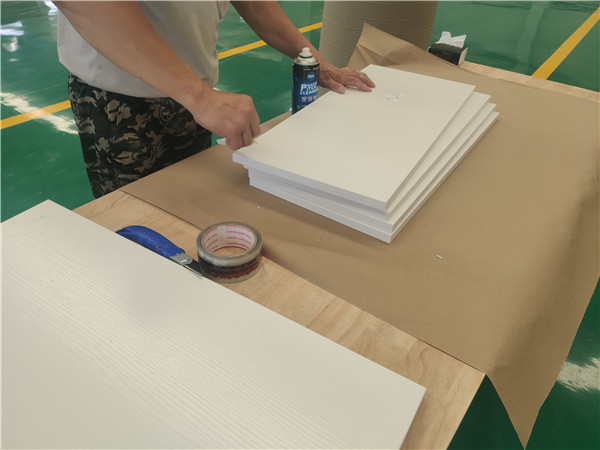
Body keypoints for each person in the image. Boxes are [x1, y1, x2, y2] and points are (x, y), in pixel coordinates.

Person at [54, 1, 375, 198]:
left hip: (192, 94)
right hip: (121, 100)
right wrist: (200, 97)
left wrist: (316, 62)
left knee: (189, 207)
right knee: (138, 223)